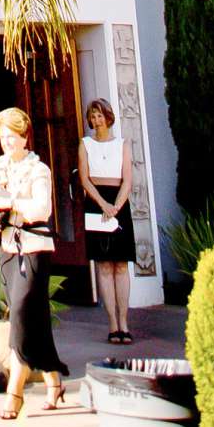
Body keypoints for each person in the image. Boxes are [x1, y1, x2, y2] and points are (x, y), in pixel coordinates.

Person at [0, 105, 69, 420]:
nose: (8, 142)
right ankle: (54, 381)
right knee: (32, 318)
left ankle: (15, 391)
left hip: (34, 250)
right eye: (3, 137)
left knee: (22, 314)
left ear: (25, 138)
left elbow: (41, 209)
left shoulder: (38, 170)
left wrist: (10, 203)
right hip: (8, 251)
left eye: (13, 137)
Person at [78, 98, 135, 342]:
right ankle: (112, 325)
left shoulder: (122, 144)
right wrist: (102, 204)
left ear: (108, 117)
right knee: (103, 265)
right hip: (96, 201)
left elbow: (128, 179)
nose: (96, 120)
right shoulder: (86, 144)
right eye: (93, 116)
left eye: (100, 115)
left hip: (118, 202)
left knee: (121, 264)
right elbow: (85, 178)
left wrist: (116, 207)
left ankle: (124, 323)